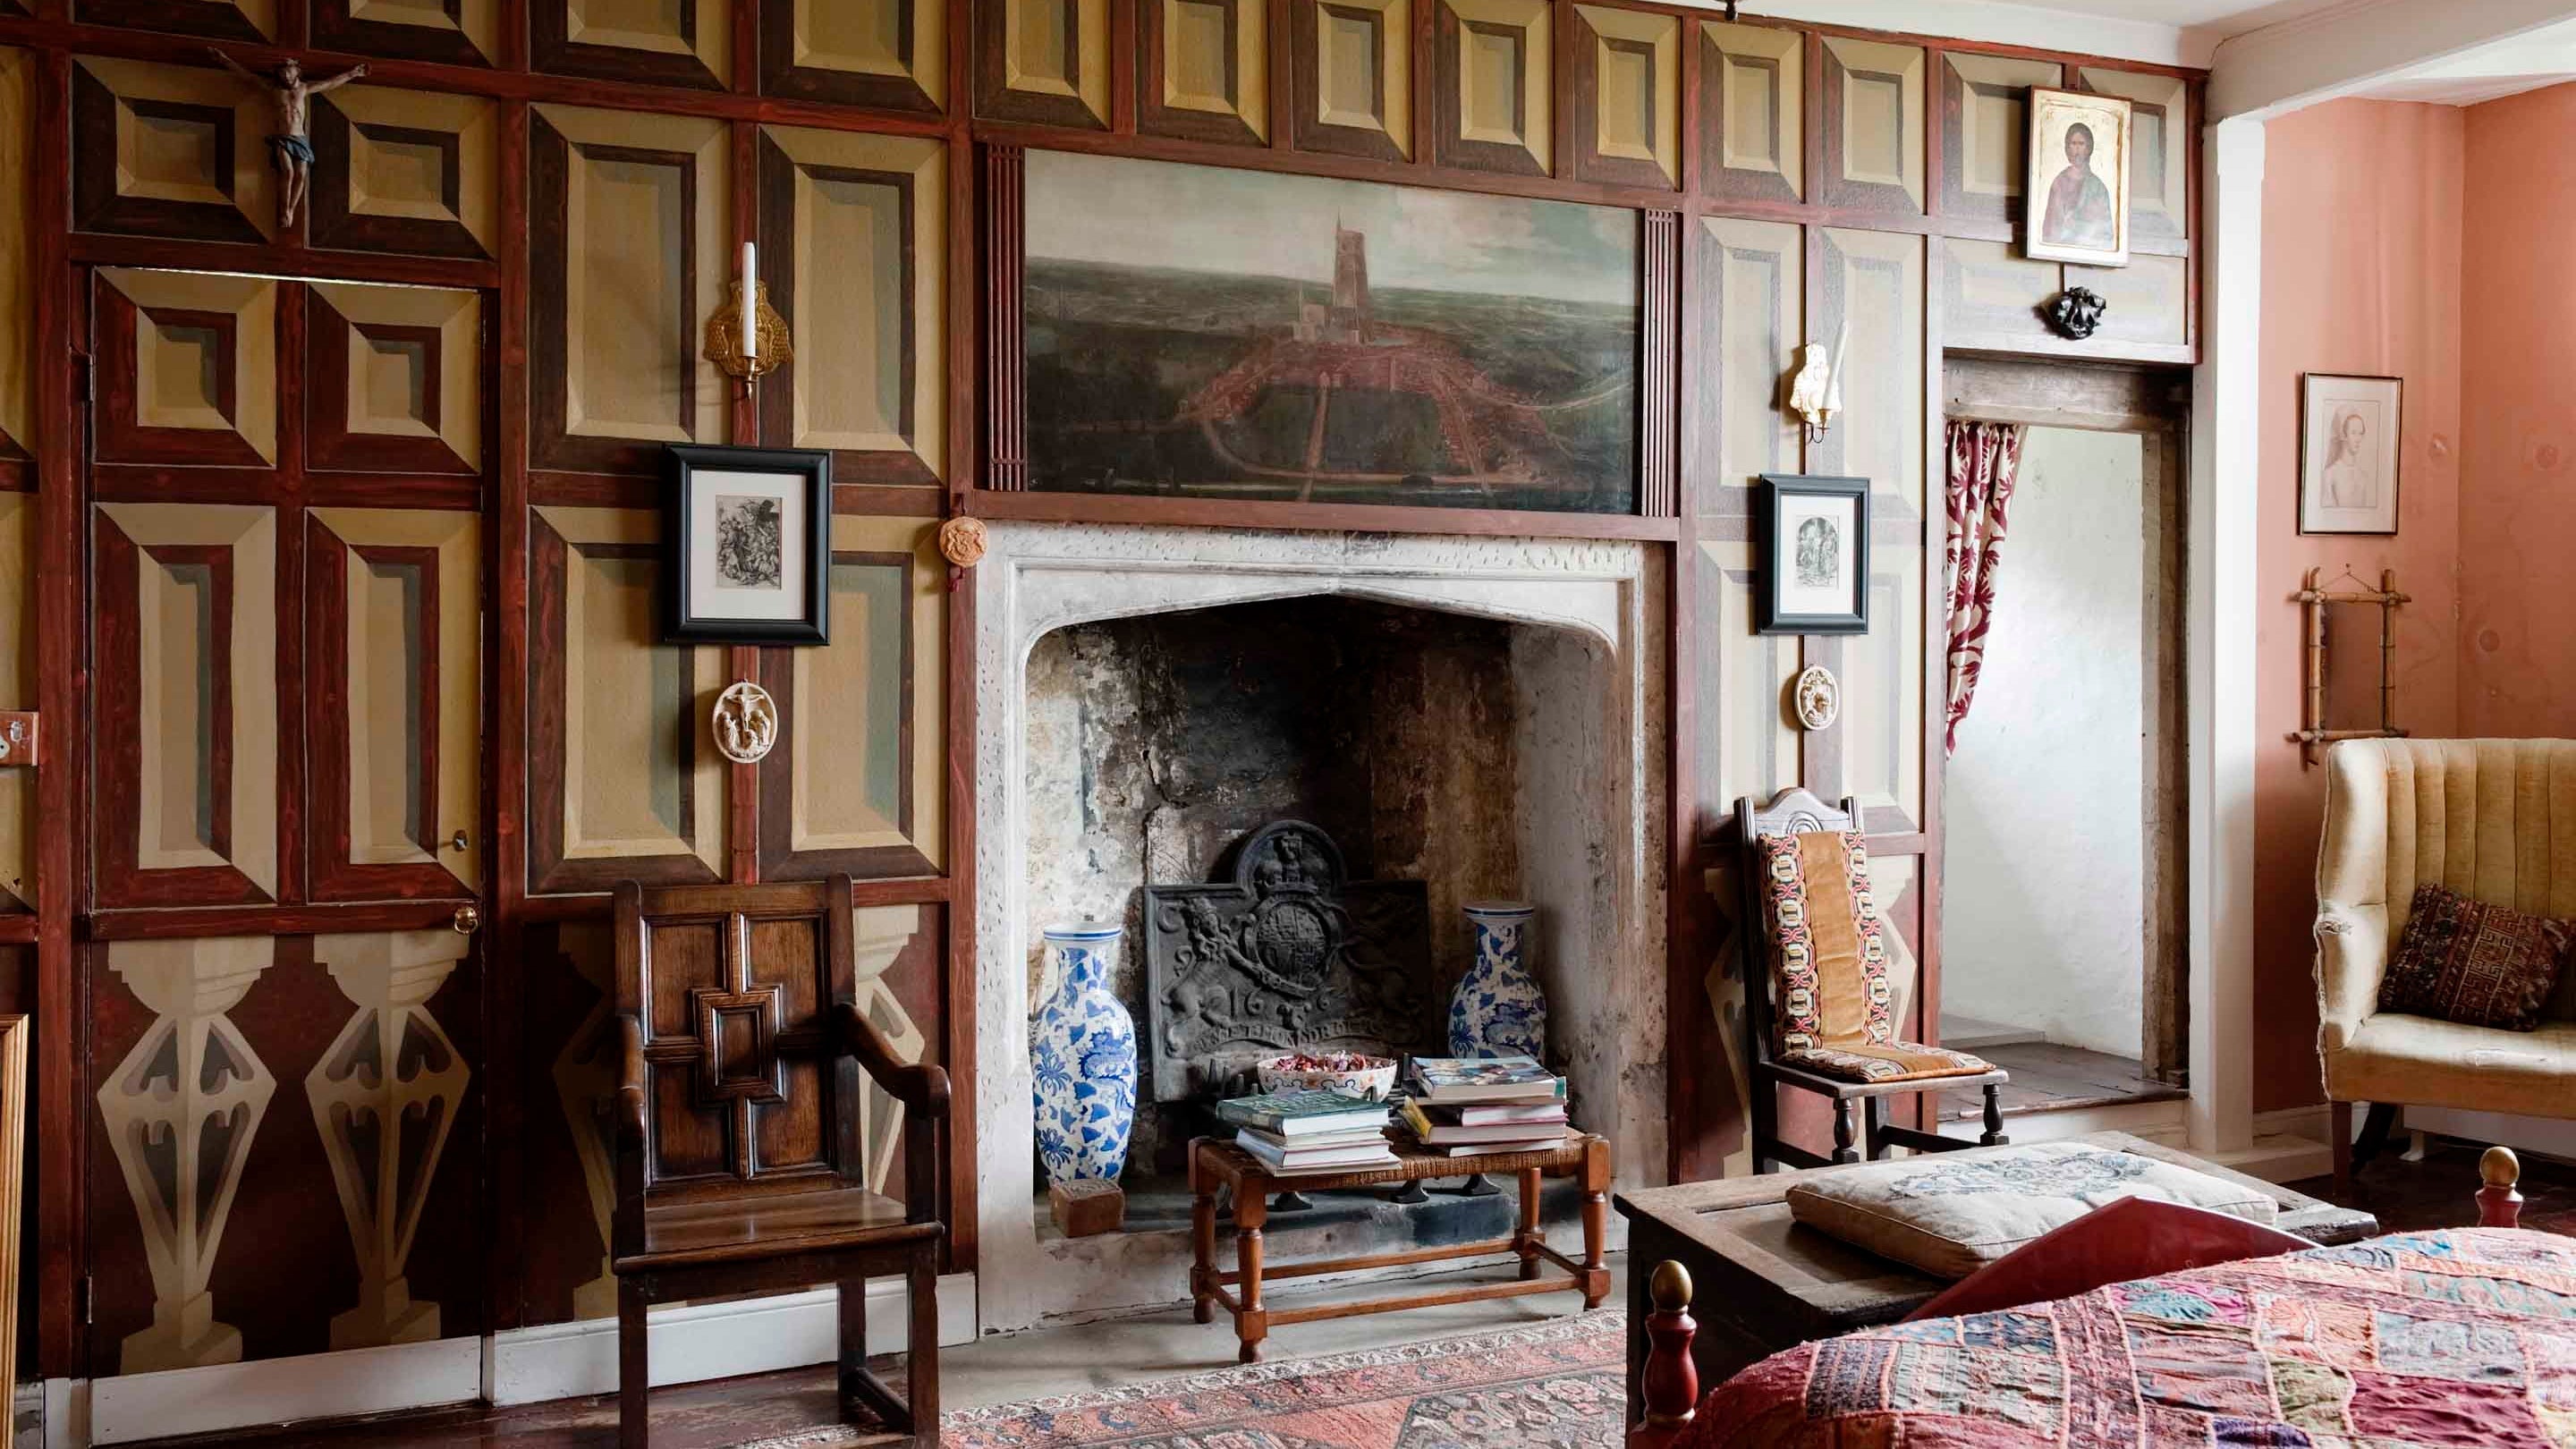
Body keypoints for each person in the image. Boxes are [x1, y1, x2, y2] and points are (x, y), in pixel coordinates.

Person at [208, 49, 370, 230]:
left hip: (300, 137)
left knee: (301, 175)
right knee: (288, 172)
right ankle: (284, 210)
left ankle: (291, 210)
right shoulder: (274, 89)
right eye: (282, 72)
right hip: (283, 138)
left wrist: (353, 73)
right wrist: (225, 60)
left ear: (297, 71)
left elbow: (330, 83)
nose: (285, 74)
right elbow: (249, 77)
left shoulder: (304, 88)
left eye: (289, 70)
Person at [2038, 121, 2115, 252]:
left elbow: (2105, 234)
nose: (2077, 149)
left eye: (2081, 144)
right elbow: (2050, 228)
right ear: (2068, 148)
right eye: (2073, 144)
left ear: (2089, 148)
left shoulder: (2098, 187)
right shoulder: (2059, 182)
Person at [2323, 408, 2377, 509]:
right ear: (2344, 435)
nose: (2358, 439)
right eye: (2353, 433)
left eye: (2361, 433)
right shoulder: (2330, 474)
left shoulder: (2363, 476)